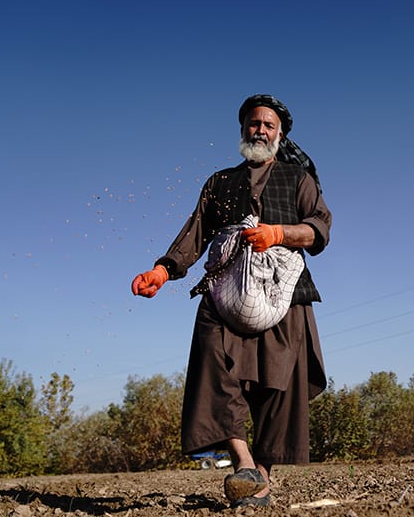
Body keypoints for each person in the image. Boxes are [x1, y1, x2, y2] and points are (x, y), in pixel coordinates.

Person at [131, 94, 332, 508]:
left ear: (280, 134)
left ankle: (260, 481)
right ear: (242, 130)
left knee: (278, 384)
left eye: (268, 125)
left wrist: (278, 234)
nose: (260, 130)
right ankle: (242, 460)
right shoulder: (220, 182)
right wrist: (164, 270)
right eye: (253, 123)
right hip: (225, 291)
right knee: (213, 358)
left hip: (283, 292)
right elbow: (197, 231)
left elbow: (318, 230)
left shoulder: (298, 179)